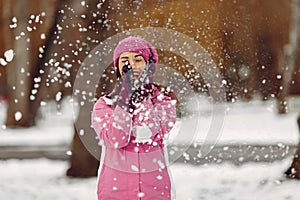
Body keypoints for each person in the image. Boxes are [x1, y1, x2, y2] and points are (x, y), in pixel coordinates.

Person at [91, 36, 177, 200]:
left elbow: (147, 133)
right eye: (125, 60)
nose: (131, 65)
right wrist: (124, 98)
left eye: (138, 59)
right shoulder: (104, 105)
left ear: (149, 66)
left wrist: (142, 96)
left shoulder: (163, 102)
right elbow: (117, 139)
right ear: (118, 67)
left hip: (155, 192)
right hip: (115, 192)